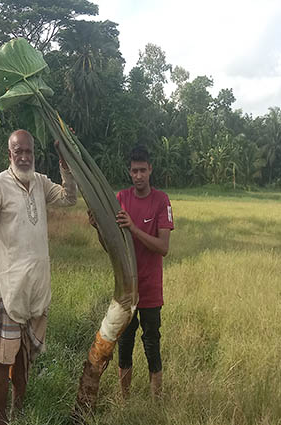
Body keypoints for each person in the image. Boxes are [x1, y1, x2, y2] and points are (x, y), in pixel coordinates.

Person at [0, 130, 76, 425]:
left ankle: (19, 411)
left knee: (23, 357)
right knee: (2, 358)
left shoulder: (41, 183)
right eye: (18, 151)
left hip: (35, 288)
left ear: (34, 153)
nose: (24, 156)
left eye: (28, 151)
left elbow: (70, 198)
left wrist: (65, 165)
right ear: (10, 154)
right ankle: (0, 417)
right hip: (8, 288)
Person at [89, 145, 174, 399]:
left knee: (152, 345)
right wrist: (98, 228)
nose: (138, 175)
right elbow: (111, 249)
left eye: (142, 170)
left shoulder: (161, 200)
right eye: (134, 171)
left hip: (150, 291)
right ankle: (125, 402)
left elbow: (163, 247)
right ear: (130, 172)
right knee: (124, 347)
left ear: (150, 170)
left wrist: (134, 228)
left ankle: (155, 401)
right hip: (127, 292)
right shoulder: (121, 199)